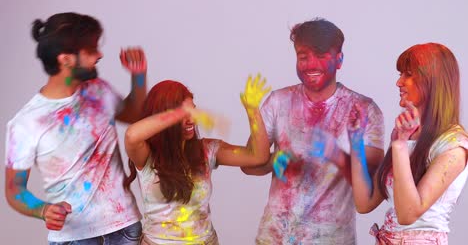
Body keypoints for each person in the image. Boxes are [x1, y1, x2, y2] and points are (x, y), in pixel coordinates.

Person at [5, 12, 147, 244]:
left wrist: (138, 76)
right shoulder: (26, 123)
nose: (100, 54)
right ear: (66, 59)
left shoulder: (99, 90)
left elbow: (135, 114)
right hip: (74, 237)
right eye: (91, 50)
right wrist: (42, 210)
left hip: (124, 227)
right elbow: (14, 190)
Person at [241, 18, 385, 244]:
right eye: (303, 56)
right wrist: (274, 161)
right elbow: (248, 165)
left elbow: (371, 190)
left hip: (333, 238)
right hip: (274, 237)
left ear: (339, 60)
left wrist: (336, 155)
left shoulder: (364, 110)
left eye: (320, 56)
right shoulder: (278, 101)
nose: (310, 65)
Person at [123, 75, 271, 244]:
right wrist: (179, 113)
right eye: (184, 114)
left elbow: (258, 156)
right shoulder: (146, 155)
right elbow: (131, 135)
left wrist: (252, 109)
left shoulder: (208, 149)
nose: (192, 119)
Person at [347, 43, 468, 244]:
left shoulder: (454, 146)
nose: (399, 82)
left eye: (408, 74)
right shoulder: (407, 135)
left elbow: (408, 214)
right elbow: (364, 203)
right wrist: (356, 142)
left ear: (433, 81)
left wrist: (400, 145)